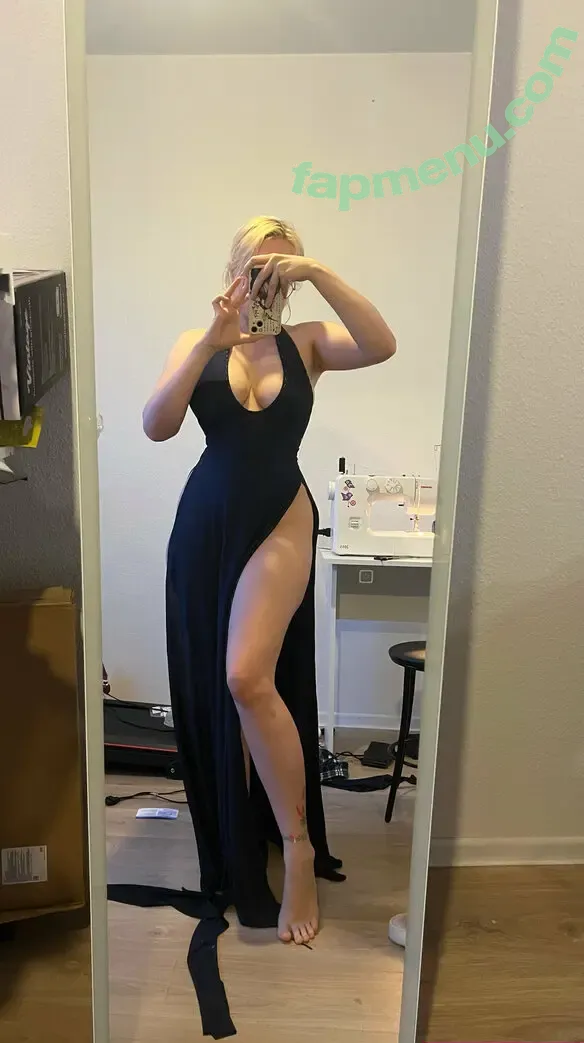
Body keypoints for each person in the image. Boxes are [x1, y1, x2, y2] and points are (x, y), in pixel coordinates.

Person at [143, 216, 397, 947]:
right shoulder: (196, 342)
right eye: (260, 265)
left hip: (282, 515)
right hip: (206, 521)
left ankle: (298, 848)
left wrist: (318, 272)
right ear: (233, 266)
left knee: (248, 676)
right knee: (223, 683)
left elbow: (381, 344)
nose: (271, 279)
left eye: (284, 268)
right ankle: (239, 830)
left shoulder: (308, 342)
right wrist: (210, 344)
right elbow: (157, 425)